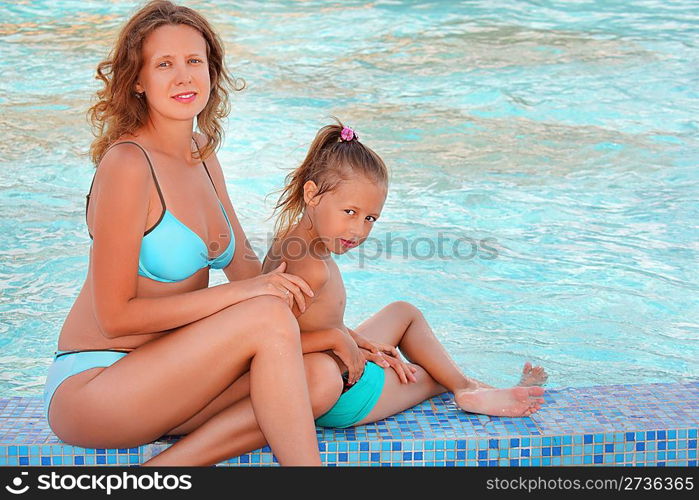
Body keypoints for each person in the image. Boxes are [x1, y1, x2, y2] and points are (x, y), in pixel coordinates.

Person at [43, 0, 340, 466]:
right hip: (96, 387)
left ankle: (162, 472)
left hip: (172, 379)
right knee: (263, 314)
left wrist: (337, 329)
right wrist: (255, 297)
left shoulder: (202, 152)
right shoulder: (127, 165)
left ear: (211, 71)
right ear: (137, 81)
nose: (183, 77)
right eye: (164, 64)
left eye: (194, 61)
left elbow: (249, 275)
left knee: (320, 377)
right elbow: (114, 317)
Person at [261, 120, 548, 429]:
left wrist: (358, 340)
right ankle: (473, 392)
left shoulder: (292, 241)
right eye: (350, 212)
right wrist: (344, 343)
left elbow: (311, 319)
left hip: (338, 362)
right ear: (312, 194)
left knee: (403, 313)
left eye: (370, 218)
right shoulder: (311, 268)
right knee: (429, 374)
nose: (358, 230)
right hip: (342, 395)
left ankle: (475, 388)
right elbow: (270, 342)